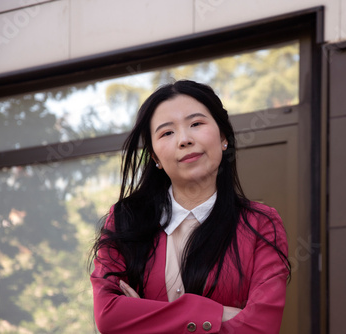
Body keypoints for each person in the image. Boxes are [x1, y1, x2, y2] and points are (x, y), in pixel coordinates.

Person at [89, 80, 290, 333]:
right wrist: (219, 314)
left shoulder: (261, 223)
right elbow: (108, 317)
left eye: (196, 124)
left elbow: (261, 327)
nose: (184, 139)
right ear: (154, 157)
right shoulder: (125, 220)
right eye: (167, 133)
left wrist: (147, 317)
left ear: (223, 137)